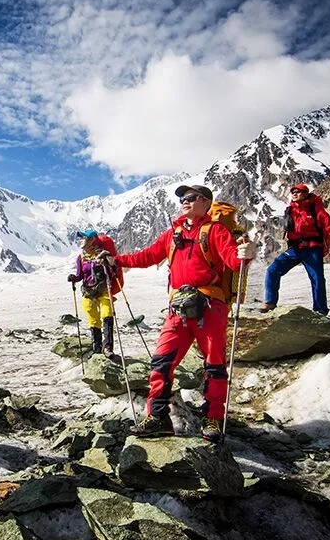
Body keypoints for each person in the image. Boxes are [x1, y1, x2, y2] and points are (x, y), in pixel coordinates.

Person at [101, 185, 255, 443]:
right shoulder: (173, 233)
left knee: (214, 365)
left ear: (206, 203)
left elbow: (232, 260)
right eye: (183, 198)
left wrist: (244, 256)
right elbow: (148, 256)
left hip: (210, 306)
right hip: (179, 308)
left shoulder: (215, 231)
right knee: (161, 361)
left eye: (191, 198)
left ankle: (213, 419)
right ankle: (158, 417)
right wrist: (118, 260)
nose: (184, 202)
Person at [261, 183, 330, 315]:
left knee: (317, 278)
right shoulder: (291, 210)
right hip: (295, 248)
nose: (294, 193)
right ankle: (270, 302)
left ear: (305, 194)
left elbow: (327, 222)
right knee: (272, 270)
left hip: (312, 247)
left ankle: (320, 309)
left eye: (298, 191)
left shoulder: (314, 208)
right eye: (293, 191)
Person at [67, 229, 119, 356]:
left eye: (84, 239)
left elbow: (114, 269)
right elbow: (80, 275)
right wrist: (74, 278)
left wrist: (110, 263)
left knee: (107, 314)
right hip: (88, 291)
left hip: (103, 289)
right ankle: (97, 348)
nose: (82, 241)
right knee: (93, 318)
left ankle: (107, 347)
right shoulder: (81, 258)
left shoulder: (102, 254)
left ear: (92, 240)